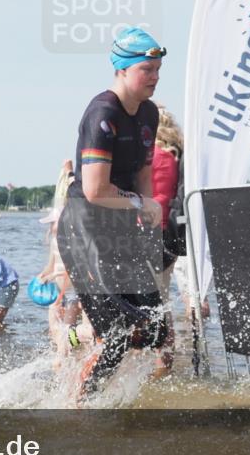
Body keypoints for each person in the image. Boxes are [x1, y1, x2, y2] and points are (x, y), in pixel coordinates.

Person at [56, 26, 168, 402]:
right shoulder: (103, 112)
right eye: (146, 70)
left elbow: (142, 170)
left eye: (157, 69)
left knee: (154, 329)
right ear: (122, 69)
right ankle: (79, 406)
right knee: (118, 333)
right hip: (85, 229)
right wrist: (140, 203)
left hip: (120, 226)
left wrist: (149, 207)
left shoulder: (149, 113)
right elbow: (94, 189)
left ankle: (98, 378)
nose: (154, 77)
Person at [36, 160, 93, 360]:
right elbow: (50, 266)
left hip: (74, 290)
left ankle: (78, 354)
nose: (51, 228)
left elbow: (74, 269)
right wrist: (44, 275)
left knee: (76, 327)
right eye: (50, 224)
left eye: (54, 224)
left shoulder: (72, 238)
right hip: (63, 292)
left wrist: (55, 277)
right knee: (59, 329)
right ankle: (67, 355)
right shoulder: (54, 242)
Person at [150, 103, 184, 375]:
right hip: (171, 236)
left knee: (145, 304)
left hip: (147, 234)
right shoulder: (177, 154)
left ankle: (157, 363)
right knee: (162, 301)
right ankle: (164, 363)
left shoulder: (151, 154)